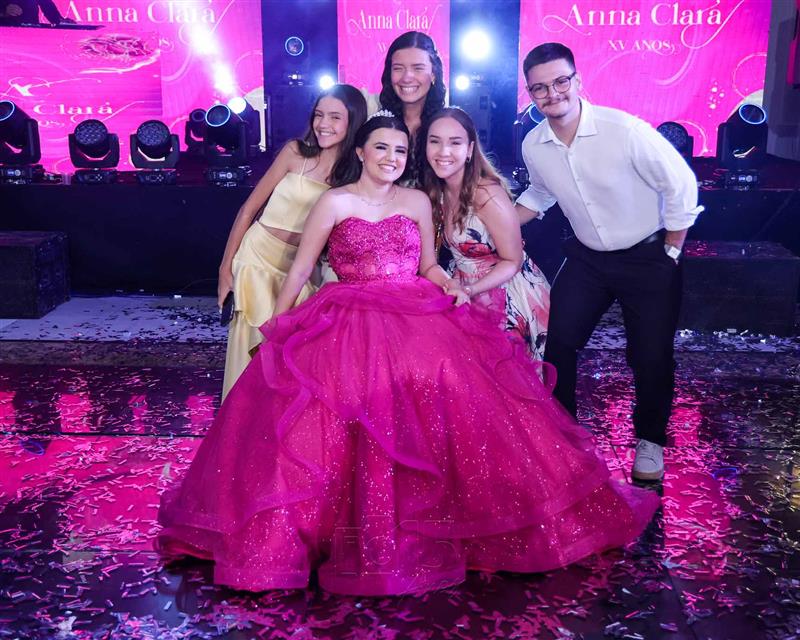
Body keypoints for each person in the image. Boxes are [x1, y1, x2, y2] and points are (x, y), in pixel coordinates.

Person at [156, 114, 659, 596]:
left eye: (400, 150)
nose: (391, 157)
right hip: (347, 313)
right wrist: (280, 325)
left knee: (449, 402)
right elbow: (301, 268)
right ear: (360, 152)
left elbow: (428, 266)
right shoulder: (333, 202)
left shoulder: (418, 200)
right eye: (381, 147)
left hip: (410, 309)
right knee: (330, 416)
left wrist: (453, 288)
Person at [515, 43, 703, 481]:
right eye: (540, 87)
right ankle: (564, 433)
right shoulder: (534, 145)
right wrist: (492, 222)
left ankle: (650, 441)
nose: (552, 93)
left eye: (561, 81)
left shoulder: (624, 130)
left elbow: (680, 185)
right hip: (587, 259)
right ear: (531, 93)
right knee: (557, 341)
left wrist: (672, 250)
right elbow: (540, 194)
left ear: (577, 80)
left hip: (648, 255)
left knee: (650, 354)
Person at [217, 84, 366, 398]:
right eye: (319, 115)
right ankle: (238, 420)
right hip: (257, 257)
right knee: (249, 347)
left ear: (353, 122)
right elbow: (248, 210)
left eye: (335, 117)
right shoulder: (295, 152)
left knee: (286, 357)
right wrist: (224, 269)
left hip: (299, 270)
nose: (323, 124)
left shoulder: (354, 177)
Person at [421, 107, 550, 359]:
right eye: (434, 141)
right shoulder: (439, 191)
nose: (443, 151)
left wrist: (470, 290)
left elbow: (513, 261)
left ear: (470, 150)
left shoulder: (487, 194)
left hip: (507, 293)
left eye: (455, 142)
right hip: (463, 287)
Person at [370, 31, 446, 184]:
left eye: (418, 68)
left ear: (433, 74)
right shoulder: (375, 120)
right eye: (398, 68)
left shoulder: (446, 125)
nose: (406, 77)